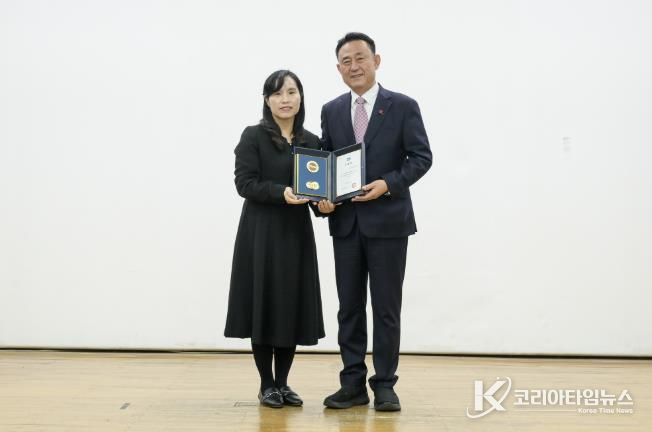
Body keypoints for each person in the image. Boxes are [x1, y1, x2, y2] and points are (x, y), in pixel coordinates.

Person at [319, 32, 432, 412]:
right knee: (349, 308)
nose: (354, 66)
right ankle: (352, 384)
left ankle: (385, 384)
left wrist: (388, 184)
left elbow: (421, 157)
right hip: (346, 225)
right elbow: (325, 162)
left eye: (360, 58)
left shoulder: (403, 106)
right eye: (346, 61)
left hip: (389, 224)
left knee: (386, 308)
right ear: (338, 68)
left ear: (376, 61)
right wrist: (321, 200)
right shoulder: (332, 110)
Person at [224, 70, 325, 408]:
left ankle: (282, 382)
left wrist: (325, 206)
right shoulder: (253, 136)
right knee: (264, 304)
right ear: (267, 100)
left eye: (292, 92)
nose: (285, 99)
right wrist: (281, 192)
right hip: (261, 234)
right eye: (278, 93)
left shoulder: (311, 141)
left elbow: (317, 195)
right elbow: (245, 184)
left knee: (290, 305)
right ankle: (266, 383)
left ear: (301, 97)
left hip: (296, 235)